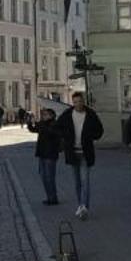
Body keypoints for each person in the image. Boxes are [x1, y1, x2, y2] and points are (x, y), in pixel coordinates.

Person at [55, 90, 103, 219]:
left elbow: (99, 131)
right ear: (73, 102)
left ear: (83, 101)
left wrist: (89, 136)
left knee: (85, 181)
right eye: (75, 102)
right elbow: (57, 127)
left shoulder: (90, 114)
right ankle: (80, 205)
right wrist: (66, 137)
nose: (78, 104)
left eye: (80, 101)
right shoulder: (67, 114)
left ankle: (84, 207)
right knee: (77, 182)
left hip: (85, 153)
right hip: (72, 152)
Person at [32, 110, 62, 206]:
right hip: (42, 153)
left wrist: (42, 125)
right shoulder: (43, 124)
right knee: (43, 176)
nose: (43, 116)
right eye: (43, 115)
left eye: (45, 115)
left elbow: (51, 133)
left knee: (50, 178)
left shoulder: (55, 124)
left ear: (51, 116)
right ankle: (49, 197)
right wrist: (29, 122)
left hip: (50, 154)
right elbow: (34, 129)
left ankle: (53, 198)